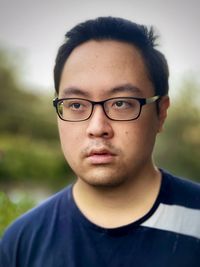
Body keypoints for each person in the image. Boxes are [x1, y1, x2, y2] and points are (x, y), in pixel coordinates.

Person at [0, 16, 200, 267]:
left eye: (121, 103)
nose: (97, 128)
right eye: (75, 105)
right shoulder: (22, 242)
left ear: (161, 113)